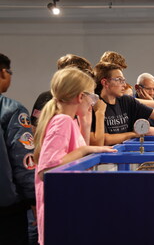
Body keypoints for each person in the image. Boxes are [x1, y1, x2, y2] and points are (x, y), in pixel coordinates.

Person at [33, 68, 116, 245]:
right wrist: (85, 150)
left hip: (66, 207)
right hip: (59, 214)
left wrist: (86, 130)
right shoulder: (62, 121)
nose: (93, 103)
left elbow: (71, 154)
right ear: (80, 97)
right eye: (92, 98)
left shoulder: (68, 121)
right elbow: (46, 169)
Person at [0, 53, 35, 245]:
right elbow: (24, 160)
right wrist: (33, 198)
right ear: (3, 72)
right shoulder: (12, 110)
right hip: (7, 209)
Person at [31, 54, 93, 131]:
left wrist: (85, 126)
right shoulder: (63, 121)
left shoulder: (80, 108)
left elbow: (81, 142)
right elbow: (35, 129)